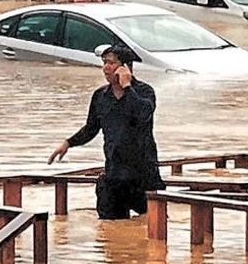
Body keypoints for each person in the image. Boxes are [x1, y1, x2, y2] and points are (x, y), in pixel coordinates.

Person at [49, 45, 165, 219]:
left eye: (111, 63)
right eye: (104, 63)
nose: (106, 68)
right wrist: (68, 143)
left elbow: (143, 114)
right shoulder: (100, 96)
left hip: (143, 173)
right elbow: (91, 128)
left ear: (125, 67)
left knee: (152, 225)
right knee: (110, 229)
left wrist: (127, 87)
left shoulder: (144, 92)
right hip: (114, 173)